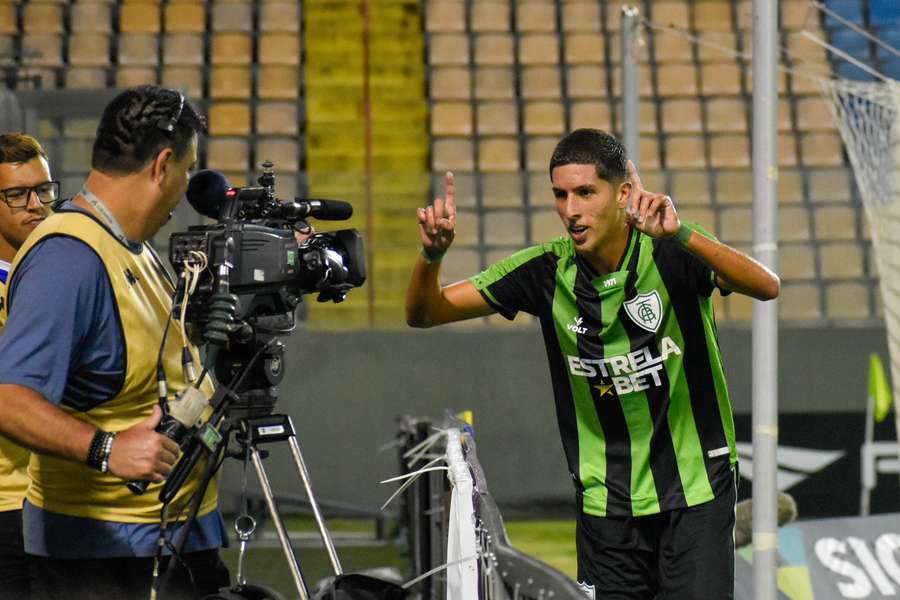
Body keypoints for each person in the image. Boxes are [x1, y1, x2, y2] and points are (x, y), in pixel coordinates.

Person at [406, 128, 780, 599]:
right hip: (607, 502)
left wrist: (683, 232)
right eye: (561, 195)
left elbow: (767, 286)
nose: (571, 210)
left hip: (697, 489)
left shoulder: (671, 248)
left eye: (586, 193)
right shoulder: (544, 271)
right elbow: (424, 313)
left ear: (623, 193)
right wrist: (431, 255)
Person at [0, 86, 229, 600]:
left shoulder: (133, 248)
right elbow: (8, 397)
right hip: (101, 562)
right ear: (162, 165)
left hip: (157, 542)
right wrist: (107, 449)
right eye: (188, 169)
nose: (186, 185)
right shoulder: (68, 257)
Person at [0, 133, 55, 600]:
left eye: (44, 190)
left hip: (58, 497)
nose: (36, 205)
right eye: (17, 194)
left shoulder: (58, 270)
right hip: (6, 507)